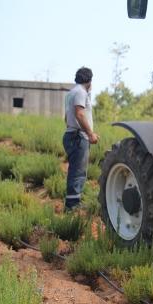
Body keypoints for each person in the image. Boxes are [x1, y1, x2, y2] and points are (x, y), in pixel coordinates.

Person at [63, 67, 98, 210]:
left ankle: (72, 203)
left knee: (75, 170)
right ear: (89, 80)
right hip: (78, 137)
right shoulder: (81, 92)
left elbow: (66, 118)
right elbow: (80, 114)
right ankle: (72, 207)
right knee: (78, 172)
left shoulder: (71, 93)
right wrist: (90, 133)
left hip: (72, 134)